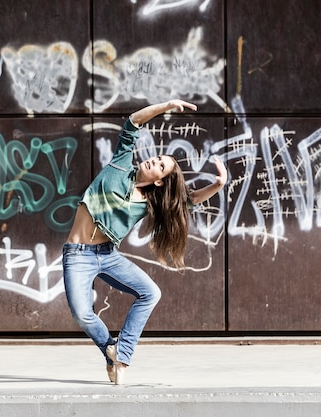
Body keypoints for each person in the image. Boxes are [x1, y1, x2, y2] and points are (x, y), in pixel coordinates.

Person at [62, 99, 227, 385]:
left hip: (108, 255)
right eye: (157, 158)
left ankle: (122, 355)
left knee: (151, 292)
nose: (154, 160)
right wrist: (166, 105)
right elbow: (132, 123)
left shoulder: (148, 203)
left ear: (160, 181)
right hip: (77, 254)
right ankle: (110, 352)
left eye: (160, 166)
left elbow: (188, 201)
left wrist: (218, 185)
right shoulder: (119, 165)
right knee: (82, 313)